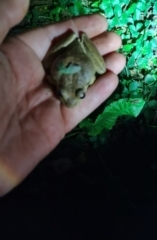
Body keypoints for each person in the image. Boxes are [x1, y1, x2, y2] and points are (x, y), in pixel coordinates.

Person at [0, 0, 126, 197]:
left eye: (80, 95)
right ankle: (82, 41)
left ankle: (81, 41)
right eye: (63, 95)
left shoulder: (57, 80)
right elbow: (85, 78)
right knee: (100, 70)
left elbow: (66, 76)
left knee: (100, 69)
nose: (70, 103)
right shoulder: (60, 80)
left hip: (75, 58)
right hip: (71, 59)